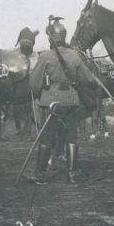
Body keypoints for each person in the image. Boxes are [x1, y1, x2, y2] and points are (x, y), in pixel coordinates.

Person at [29, 15, 98, 184]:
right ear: (64, 36)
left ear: (51, 37)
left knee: (47, 138)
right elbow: (88, 80)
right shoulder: (74, 56)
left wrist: (40, 94)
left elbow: (34, 83)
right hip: (71, 102)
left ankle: (40, 175)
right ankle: (72, 174)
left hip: (52, 103)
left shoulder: (45, 56)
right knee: (71, 136)